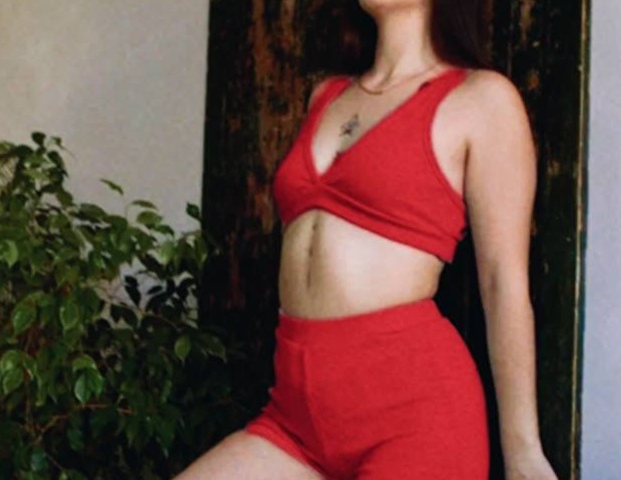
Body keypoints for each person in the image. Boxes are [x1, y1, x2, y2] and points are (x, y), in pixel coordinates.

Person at [174, 0, 559, 478]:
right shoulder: (326, 96)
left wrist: (522, 451)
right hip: (295, 416)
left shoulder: (481, 99)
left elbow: (503, 281)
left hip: (413, 415)